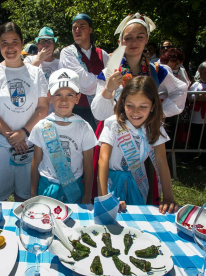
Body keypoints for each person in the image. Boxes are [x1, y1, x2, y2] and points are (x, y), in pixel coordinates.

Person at [90, 13, 187, 200]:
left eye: (139, 37)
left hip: (146, 133)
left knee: (142, 186)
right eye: (128, 38)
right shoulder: (110, 71)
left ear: (147, 40)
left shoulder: (157, 70)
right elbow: (99, 112)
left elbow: (181, 90)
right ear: (121, 42)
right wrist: (109, 90)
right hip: (114, 133)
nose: (133, 42)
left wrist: (158, 113)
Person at [0, 22, 48, 201]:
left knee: (26, 197)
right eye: (4, 43)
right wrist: (12, 137)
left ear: (22, 43)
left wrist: (23, 133)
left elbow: (42, 108)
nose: (10, 48)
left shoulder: (35, 73)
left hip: (28, 145)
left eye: (14, 42)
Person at [98, 76, 178, 214]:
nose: (135, 112)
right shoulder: (113, 124)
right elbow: (103, 159)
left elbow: (161, 161)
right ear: (123, 103)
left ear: (153, 106)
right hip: (111, 182)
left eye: (143, 106)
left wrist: (169, 197)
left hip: (137, 182)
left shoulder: (155, 127)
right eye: (130, 105)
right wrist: (104, 197)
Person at [29, 68, 97, 204]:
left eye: (70, 95)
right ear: (49, 97)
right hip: (47, 187)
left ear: (78, 98)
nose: (64, 100)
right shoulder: (41, 126)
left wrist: (87, 196)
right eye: (58, 94)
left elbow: (88, 164)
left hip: (75, 188)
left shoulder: (84, 127)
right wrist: (32, 194)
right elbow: (36, 162)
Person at [59, 13, 110, 130]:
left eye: (82, 26)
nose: (77, 30)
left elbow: (112, 78)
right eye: (74, 27)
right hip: (77, 110)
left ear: (90, 29)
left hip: (101, 111)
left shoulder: (102, 54)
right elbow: (81, 81)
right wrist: (106, 85)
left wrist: (109, 85)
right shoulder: (67, 52)